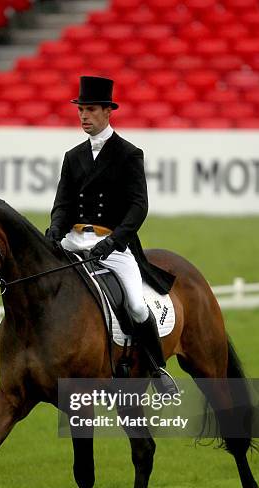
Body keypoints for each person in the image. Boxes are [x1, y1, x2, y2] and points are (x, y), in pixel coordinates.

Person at [46, 75, 176, 389]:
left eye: (90, 110)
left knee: (134, 303)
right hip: (75, 239)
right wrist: (53, 232)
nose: (83, 116)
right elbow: (63, 204)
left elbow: (138, 207)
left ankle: (157, 368)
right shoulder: (73, 156)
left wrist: (113, 242)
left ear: (107, 112)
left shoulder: (128, 154)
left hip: (114, 244)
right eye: (80, 110)